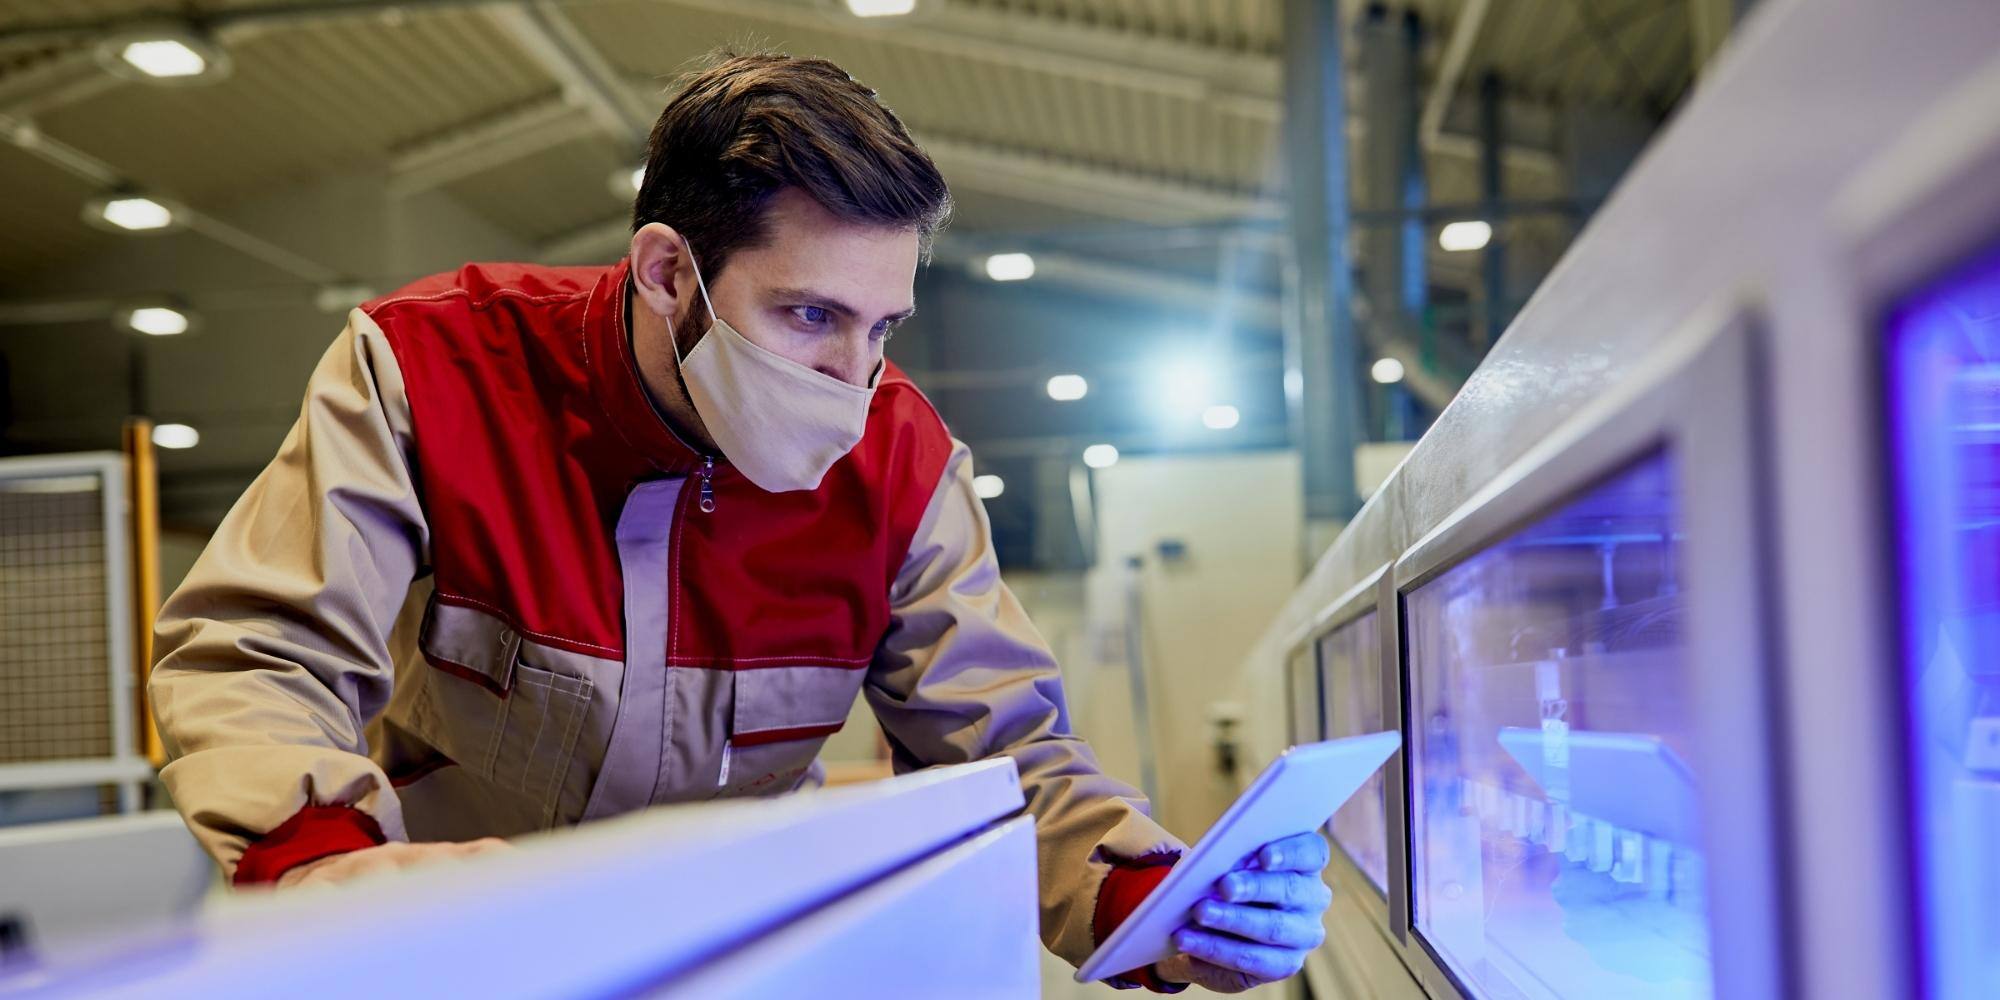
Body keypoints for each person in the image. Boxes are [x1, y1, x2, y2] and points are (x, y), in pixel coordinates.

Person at [149, 51, 1332, 992]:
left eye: (881, 328)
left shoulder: (903, 467)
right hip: (460, 959)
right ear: (668, 271)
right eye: (810, 313)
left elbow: (1004, 762)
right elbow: (258, 651)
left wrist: (1156, 903)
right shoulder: (430, 371)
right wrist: (311, 858)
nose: (850, 378)